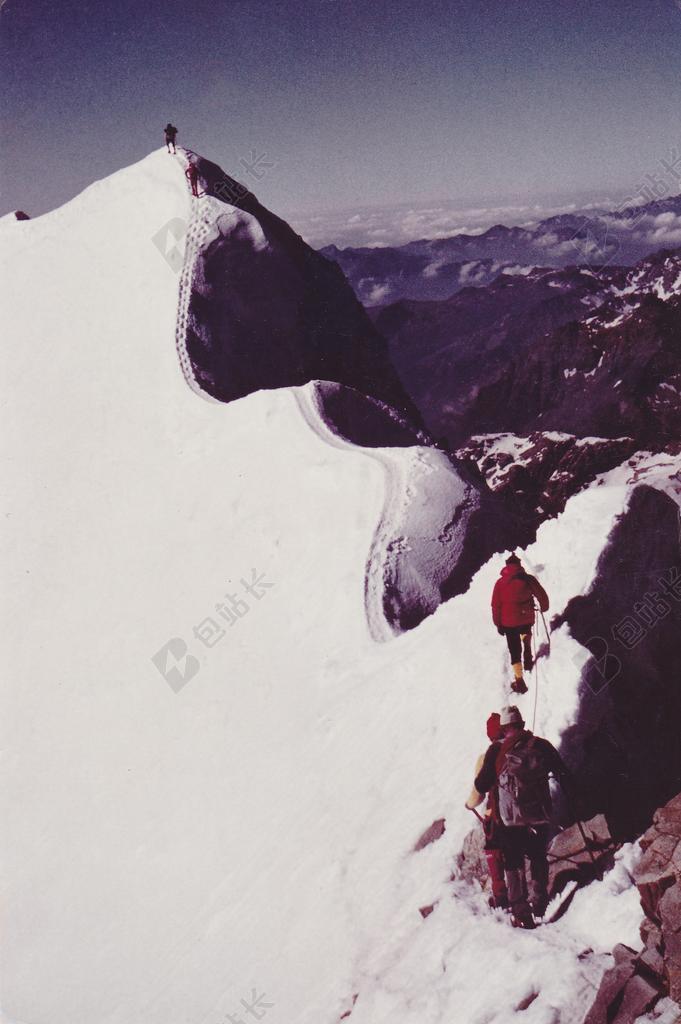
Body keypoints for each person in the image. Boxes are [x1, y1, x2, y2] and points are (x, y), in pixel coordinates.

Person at [474, 705, 571, 929]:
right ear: (522, 725)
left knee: (513, 861)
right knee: (537, 855)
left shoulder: (496, 751)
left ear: (503, 728)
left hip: (509, 819)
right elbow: (562, 773)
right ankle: (539, 900)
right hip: (538, 814)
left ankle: (521, 911)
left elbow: (481, 784)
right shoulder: (540, 745)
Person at [465, 712, 509, 910]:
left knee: (493, 849)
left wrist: (469, 804)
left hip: (499, 815)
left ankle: (500, 894)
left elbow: (478, 793)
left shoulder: (487, 757)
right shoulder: (521, 747)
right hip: (528, 810)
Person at [492, 553, 549, 694]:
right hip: (525, 617)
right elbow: (541, 594)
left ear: (506, 565)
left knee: (514, 651)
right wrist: (544, 606)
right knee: (525, 630)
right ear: (519, 564)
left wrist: (498, 624)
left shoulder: (500, 583)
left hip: (508, 622)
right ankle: (527, 651)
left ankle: (519, 680)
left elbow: (496, 605)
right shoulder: (528, 579)